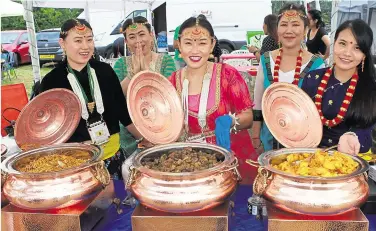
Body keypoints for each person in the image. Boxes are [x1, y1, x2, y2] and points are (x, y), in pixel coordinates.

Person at [40, 19, 142, 180]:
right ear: (62, 43)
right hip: (76, 162)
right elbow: (49, 129)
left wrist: (143, 139)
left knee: (117, 200)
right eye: (78, 40)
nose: (85, 46)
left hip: (111, 155)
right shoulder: (52, 81)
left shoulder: (105, 71)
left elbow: (122, 112)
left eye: (89, 39)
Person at [169, 16, 256, 184]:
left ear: (212, 44)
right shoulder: (172, 81)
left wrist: (229, 122)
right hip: (189, 163)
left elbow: (248, 116)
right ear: (179, 45)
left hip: (230, 157)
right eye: (188, 43)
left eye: (202, 43)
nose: (195, 50)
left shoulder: (228, 75)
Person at [252, 4, 325, 153]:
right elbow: (258, 100)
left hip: (303, 146)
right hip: (269, 141)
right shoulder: (266, 60)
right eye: (284, 25)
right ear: (277, 29)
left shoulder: (318, 65)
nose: (289, 30)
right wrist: (255, 134)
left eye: (296, 25)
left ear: (305, 30)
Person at [302, 19, 376, 155]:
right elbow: (300, 119)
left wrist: (354, 137)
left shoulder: (370, 89)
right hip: (309, 161)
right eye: (342, 43)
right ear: (334, 43)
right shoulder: (312, 79)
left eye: (357, 48)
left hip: (349, 165)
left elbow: (368, 133)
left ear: (364, 55)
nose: (347, 53)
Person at [113, 16, 176, 156]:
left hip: (162, 129)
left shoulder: (166, 61)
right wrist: (132, 75)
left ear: (151, 35)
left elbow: (169, 96)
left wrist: (145, 75)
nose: (138, 41)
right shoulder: (120, 64)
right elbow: (114, 99)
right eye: (132, 37)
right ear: (126, 41)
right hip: (129, 132)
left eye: (142, 34)